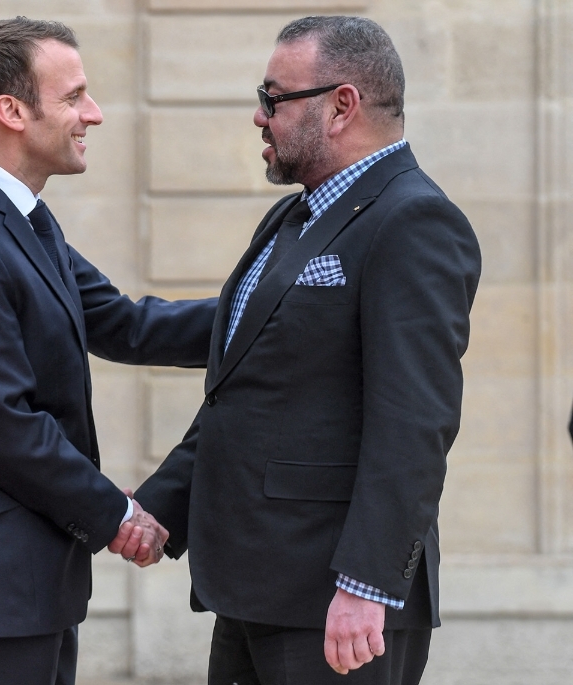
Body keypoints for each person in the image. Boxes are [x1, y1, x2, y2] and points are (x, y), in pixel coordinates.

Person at [134, 15, 481, 685]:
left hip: (336, 607)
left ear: (341, 105)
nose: (259, 117)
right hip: (253, 589)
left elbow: (414, 423)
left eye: (274, 97)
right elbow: (248, 385)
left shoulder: (414, 219)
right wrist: (160, 505)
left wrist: (367, 584)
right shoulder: (296, 215)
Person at [0, 17, 218, 685]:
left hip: (29, 573)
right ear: (10, 111)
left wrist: (271, 312)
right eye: (73, 96)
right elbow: (6, 427)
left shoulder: (20, 219)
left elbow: (128, 325)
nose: (92, 114)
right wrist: (119, 515)